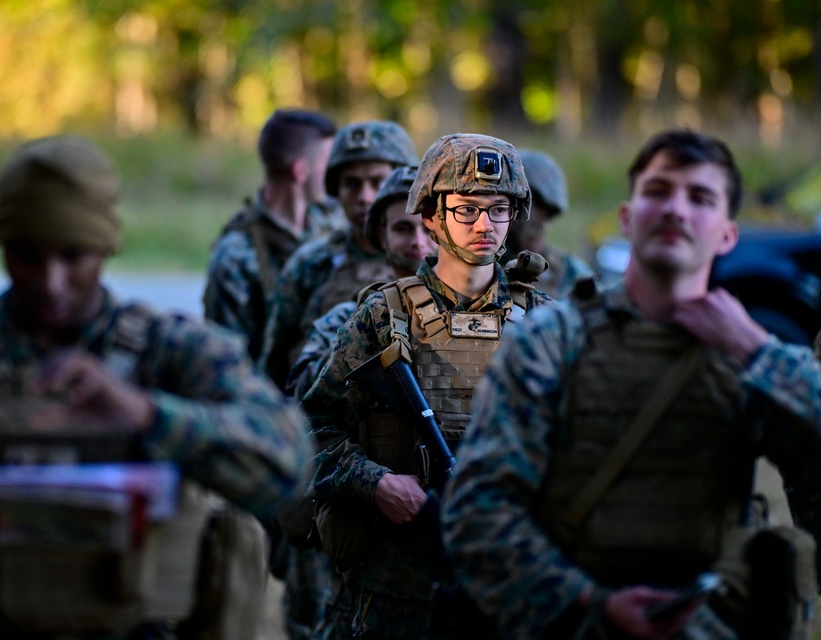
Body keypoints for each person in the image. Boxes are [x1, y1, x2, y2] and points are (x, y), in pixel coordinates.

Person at [0, 135, 313, 639]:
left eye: (73, 256)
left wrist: (146, 414)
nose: (50, 282)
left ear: (106, 247)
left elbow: (289, 467)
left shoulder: (170, 353)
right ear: (3, 247)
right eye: (28, 257)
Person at [441, 129, 821, 639]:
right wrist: (589, 604)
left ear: (728, 233)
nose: (676, 210)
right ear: (627, 216)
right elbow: (476, 512)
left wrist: (758, 352)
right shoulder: (552, 340)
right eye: (658, 191)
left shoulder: (750, 356)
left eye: (700, 198)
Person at [303, 133, 552, 639]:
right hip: (401, 587)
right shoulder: (382, 315)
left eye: (499, 209)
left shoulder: (544, 321)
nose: (485, 225)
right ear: (432, 216)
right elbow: (310, 430)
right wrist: (375, 483)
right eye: (466, 210)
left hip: (509, 579)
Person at [280, 165, 437, 640]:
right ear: (380, 236)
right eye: (403, 228)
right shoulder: (349, 322)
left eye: (427, 227)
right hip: (372, 561)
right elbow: (309, 411)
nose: (418, 242)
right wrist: (375, 482)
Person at [259, 120, 417, 388]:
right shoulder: (311, 263)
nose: (365, 197)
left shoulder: (433, 261)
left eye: (377, 181)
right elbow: (274, 364)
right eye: (352, 184)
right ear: (336, 190)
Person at [202, 109, 340, 360]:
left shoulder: (333, 224)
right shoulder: (237, 255)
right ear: (300, 171)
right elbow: (226, 357)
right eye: (329, 163)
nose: (337, 172)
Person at [503, 149, 594, 299]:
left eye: (546, 209)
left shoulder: (570, 271)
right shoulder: (485, 268)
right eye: (529, 203)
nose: (538, 217)